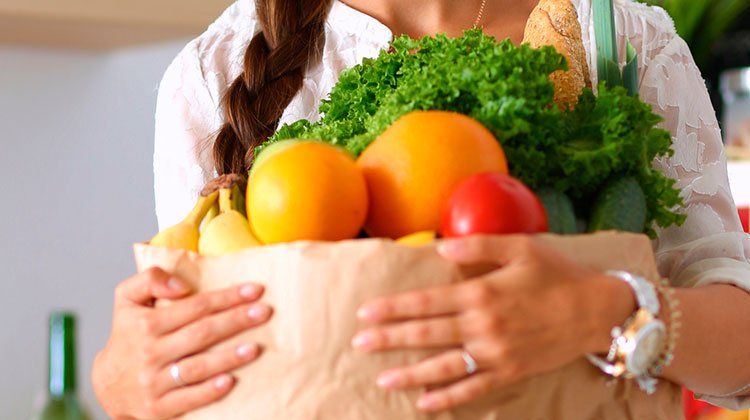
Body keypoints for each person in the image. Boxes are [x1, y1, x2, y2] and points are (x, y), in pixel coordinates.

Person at [91, 0, 750, 418]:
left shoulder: (622, 40)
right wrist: (120, 383)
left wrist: (604, 311)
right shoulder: (217, 69)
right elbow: (196, 350)